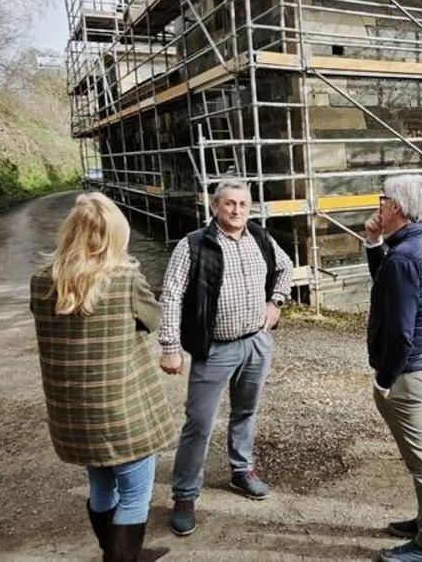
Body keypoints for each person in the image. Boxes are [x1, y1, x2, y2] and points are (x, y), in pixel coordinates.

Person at [30, 192, 177, 562]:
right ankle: (123, 556)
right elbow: (153, 321)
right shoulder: (125, 279)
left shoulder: (41, 282)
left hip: (72, 414)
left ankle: (117, 551)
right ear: (115, 234)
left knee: (100, 482)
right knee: (134, 493)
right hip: (120, 411)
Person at [158, 179, 292, 536]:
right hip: (215, 348)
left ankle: (241, 470)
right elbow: (171, 295)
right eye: (230, 203)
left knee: (246, 411)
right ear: (215, 206)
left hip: (256, 343)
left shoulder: (260, 238)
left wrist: (275, 303)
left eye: (243, 205)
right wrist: (171, 346)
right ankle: (185, 495)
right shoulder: (194, 245)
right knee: (199, 423)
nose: (236, 211)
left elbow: (285, 267)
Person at [363, 175, 422, 562]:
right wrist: (373, 244)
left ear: (395, 208)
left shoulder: (403, 259)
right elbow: (389, 288)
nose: (378, 206)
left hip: (407, 376)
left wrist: (384, 381)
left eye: (383, 200)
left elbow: (399, 332)